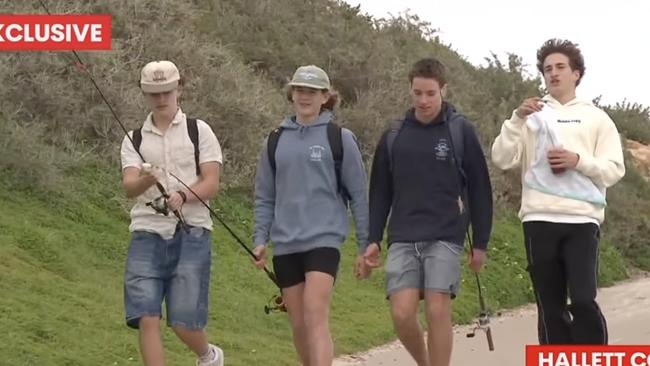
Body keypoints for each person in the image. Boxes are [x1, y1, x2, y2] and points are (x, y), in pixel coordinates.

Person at [491, 38, 626, 344]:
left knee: (582, 300)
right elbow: (501, 158)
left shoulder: (597, 118)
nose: (553, 73)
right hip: (538, 219)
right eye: (547, 69)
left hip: (582, 221)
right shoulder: (532, 116)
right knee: (549, 307)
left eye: (560, 67)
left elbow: (614, 169)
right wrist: (516, 118)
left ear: (576, 73)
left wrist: (577, 161)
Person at [363, 57, 493, 366]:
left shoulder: (460, 131)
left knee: (437, 309)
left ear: (443, 90)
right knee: (402, 313)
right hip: (403, 234)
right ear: (410, 90)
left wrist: (480, 243)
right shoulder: (394, 136)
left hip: (446, 234)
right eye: (417, 93)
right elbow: (380, 192)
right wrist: (373, 239)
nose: (423, 100)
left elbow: (480, 189)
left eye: (430, 93)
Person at [251, 65, 372, 366]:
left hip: (324, 240)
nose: (304, 97)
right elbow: (265, 195)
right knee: (299, 325)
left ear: (325, 97)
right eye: (299, 90)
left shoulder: (339, 138)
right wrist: (260, 238)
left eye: (312, 91)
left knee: (314, 314)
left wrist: (365, 247)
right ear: (291, 93)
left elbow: (359, 195)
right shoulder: (275, 140)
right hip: (286, 244)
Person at [120, 60, 224, 366]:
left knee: (184, 320)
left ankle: (208, 356)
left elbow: (211, 181)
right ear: (145, 94)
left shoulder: (199, 130)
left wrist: (181, 196)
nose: (161, 99)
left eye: (166, 91)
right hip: (146, 231)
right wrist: (145, 181)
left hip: (192, 231)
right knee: (146, 314)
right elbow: (129, 187)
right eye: (154, 93)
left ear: (179, 89)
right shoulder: (133, 139)